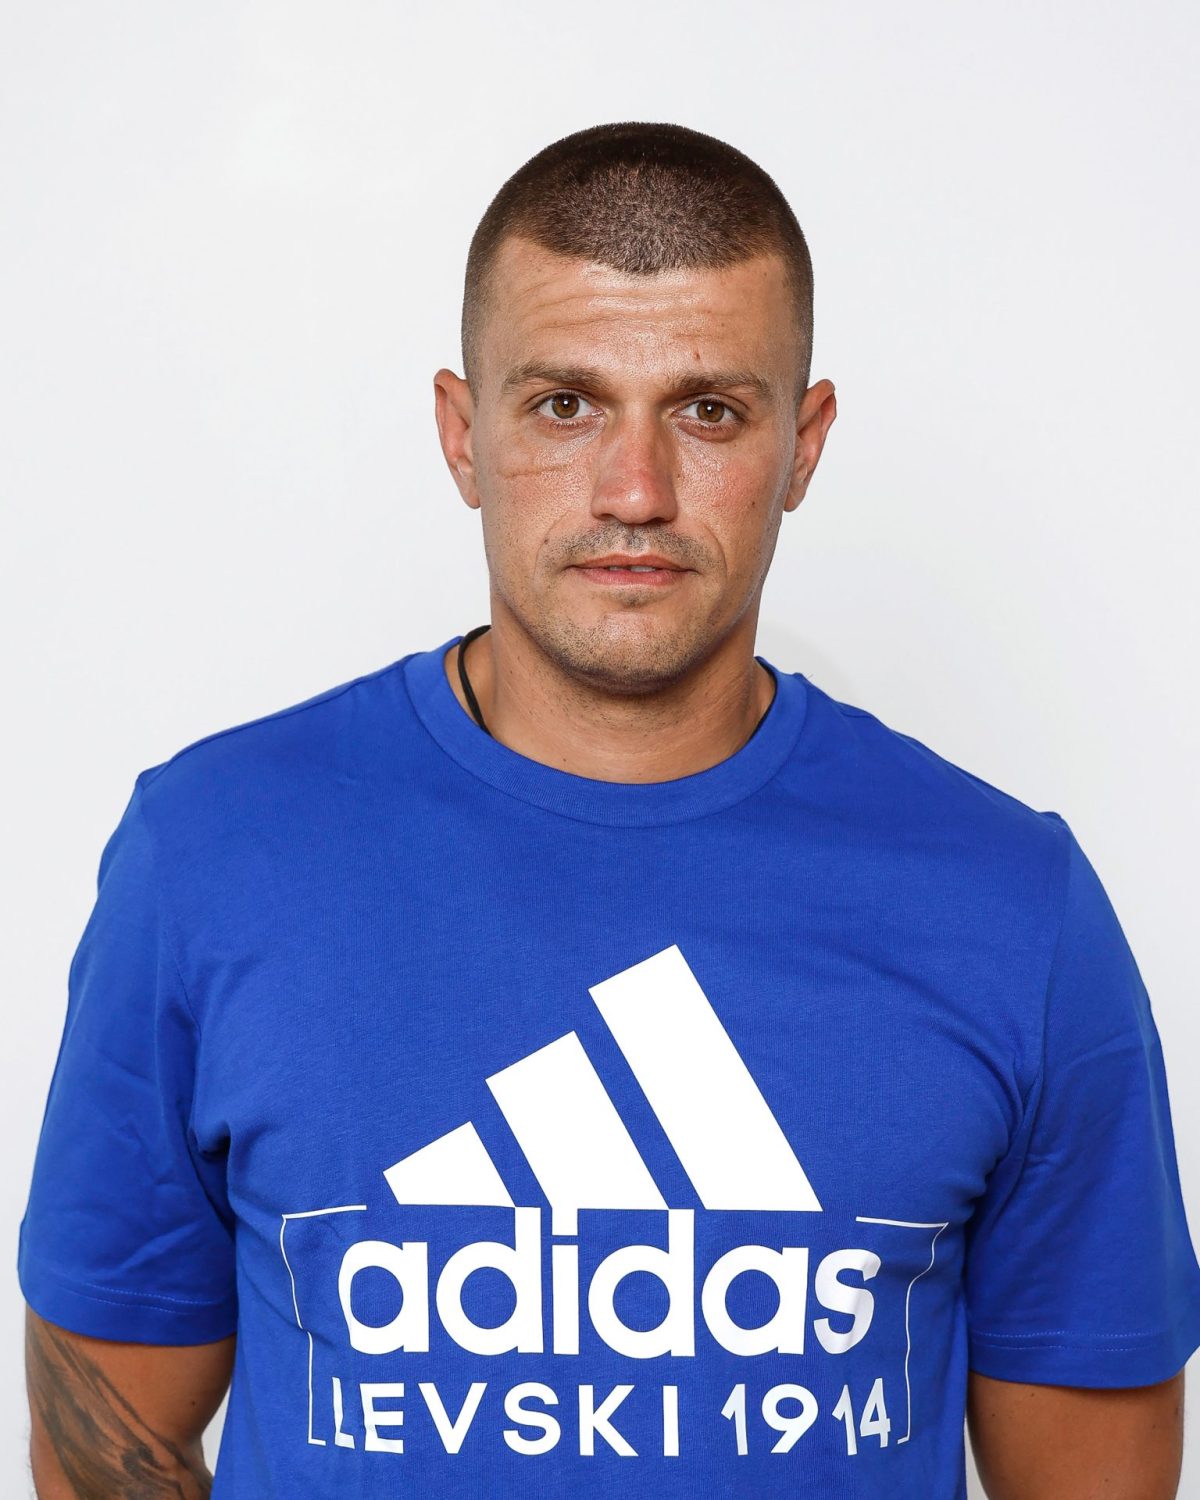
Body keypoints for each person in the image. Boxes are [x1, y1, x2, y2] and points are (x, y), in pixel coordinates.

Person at [16, 120, 1200, 1500]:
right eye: (565, 405)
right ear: (463, 433)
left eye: (710, 412)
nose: (635, 493)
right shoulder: (211, 856)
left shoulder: (1013, 908)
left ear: (804, 443)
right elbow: (106, 1445)